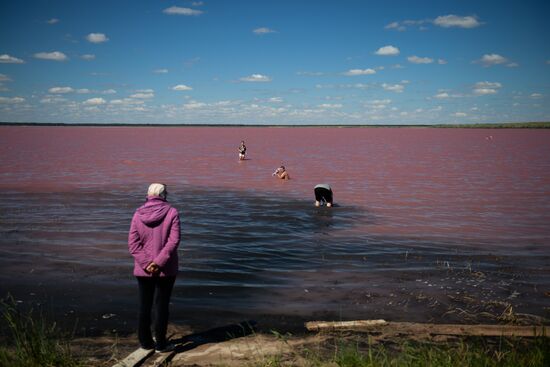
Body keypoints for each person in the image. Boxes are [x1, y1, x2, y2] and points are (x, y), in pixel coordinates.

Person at [128, 183, 180, 352]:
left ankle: (145, 343)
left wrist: (147, 264)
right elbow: (174, 241)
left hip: (143, 270)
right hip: (166, 268)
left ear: (148, 195)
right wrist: (158, 263)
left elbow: (133, 244)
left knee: (144, 305)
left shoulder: (138, 213)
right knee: (162, 305)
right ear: (164, 195)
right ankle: (161, 344)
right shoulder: (172, 212)